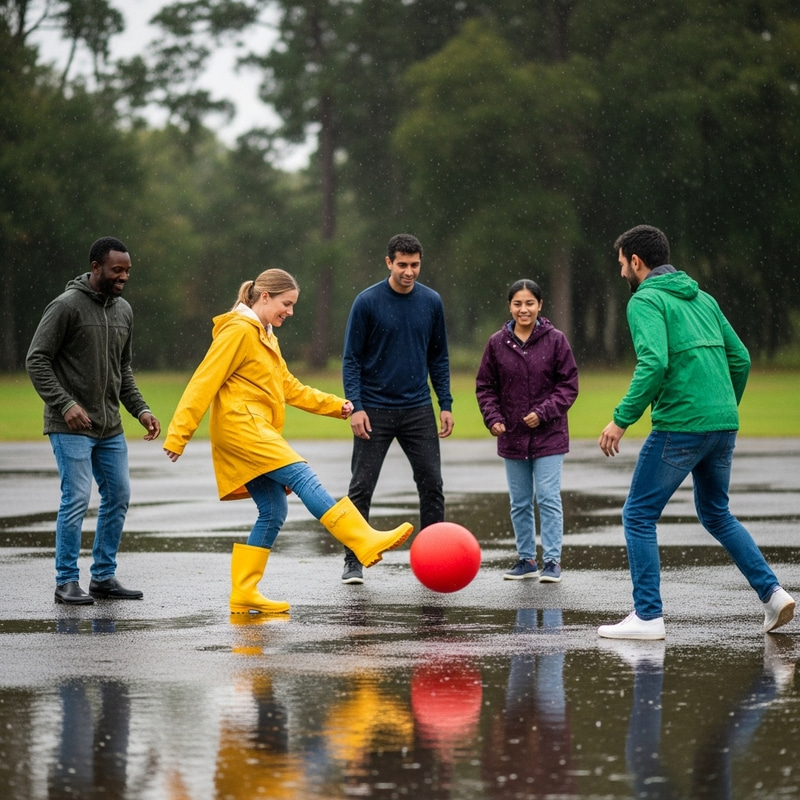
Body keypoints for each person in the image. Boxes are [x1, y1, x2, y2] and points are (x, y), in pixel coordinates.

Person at [163, 269, 413, 614]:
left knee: (273, 510)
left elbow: (289, 387)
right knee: (301, 474)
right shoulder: (238, 331)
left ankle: (244, 591)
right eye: (286, 304)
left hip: (254, 427)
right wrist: (179, 435)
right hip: (243, 427)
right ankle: (362, 539)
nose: (290, 312)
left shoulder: (265, 335)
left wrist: (335, 406)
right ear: (264, 296)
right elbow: (203, 381)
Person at [597, 224, 795, 639]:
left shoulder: (645, 300)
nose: (620, 274)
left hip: (681, 425)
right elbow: (740, 358)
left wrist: (621, 419)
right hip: (722, 424)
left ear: (637, 261)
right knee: (717, 513)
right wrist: (721, 407)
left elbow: (653, 364)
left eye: (621, 265)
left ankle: (648, 616)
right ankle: (773, 595)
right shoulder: (703, 298)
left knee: (638, 514)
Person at [26, 236, 161, 605]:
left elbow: (123, 369)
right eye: (117, 270)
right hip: (69, 425)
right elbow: (36, 359)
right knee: (77, 498)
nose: (124, 277)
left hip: (110, 426)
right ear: (96, 267)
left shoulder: (124, 311)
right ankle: (66, 581)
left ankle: (102, 576)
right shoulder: (66, 306)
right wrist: (65, 404)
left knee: (119, 494)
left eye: (128, 271)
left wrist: (141, 409)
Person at [340, 233, 454, 584]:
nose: (409, 271)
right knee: (361, 486)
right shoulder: (367, 302)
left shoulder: (431, 302)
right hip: (374, 409)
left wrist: (444, 403)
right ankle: (353, 560)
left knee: (432, 484)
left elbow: (439, 357)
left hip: (418, 408)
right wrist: (356, 406)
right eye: (402, 264)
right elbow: (351, 360)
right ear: (388, 262)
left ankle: (435, 560)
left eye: (415, 265)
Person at [476, 279, 579, 583]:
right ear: (510, 307)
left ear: (540, 305)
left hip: (550, 435)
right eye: (518, 304)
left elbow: (568, 386)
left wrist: (543, 412)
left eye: (530, 303)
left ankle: (552, 561)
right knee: (520, 501)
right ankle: (526, 560)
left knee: (547, 497)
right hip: (512, 435)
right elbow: (485, 386)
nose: (524, 309)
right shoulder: (496, 343)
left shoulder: (556, 340)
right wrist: (492, 417)